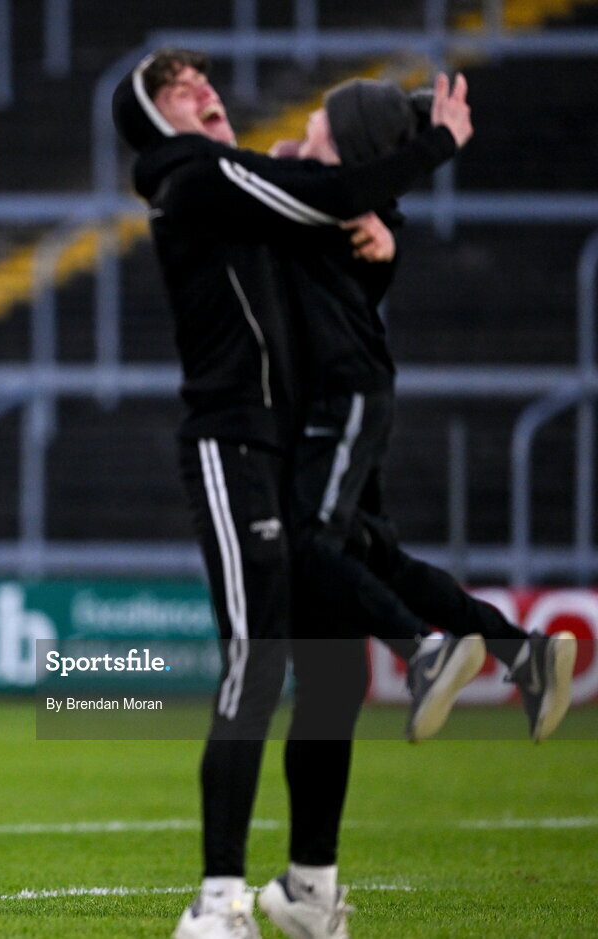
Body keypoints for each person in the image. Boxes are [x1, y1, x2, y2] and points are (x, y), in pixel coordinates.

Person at [112, 48, 472, 939]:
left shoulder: (236, 182)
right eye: (177, 91)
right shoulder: (195, 178)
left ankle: (308, 890)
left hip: (288, 446)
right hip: (232, 442)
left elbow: (337, 280)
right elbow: (329, 196)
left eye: (203, 81)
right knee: (257, 657)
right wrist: (434, 144)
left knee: (335, 672)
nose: (204, 92)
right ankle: (216, 901)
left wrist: (380, 245)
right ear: (157, 123)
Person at [255, 78, 578, 938]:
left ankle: (428, 652)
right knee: (373, 556)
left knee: (310, 537)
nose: (304, 122)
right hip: (329, 411)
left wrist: (408, 144)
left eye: (322, 116)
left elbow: (296, 178)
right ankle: (521, 657)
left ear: (348, 142)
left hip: (339, 406)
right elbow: (293, 168)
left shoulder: (355, 221)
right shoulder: (338, 203)